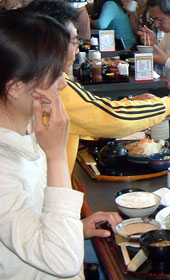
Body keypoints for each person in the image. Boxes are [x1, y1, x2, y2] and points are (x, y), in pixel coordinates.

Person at [27, 0, 170, 174]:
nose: (77, 51)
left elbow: (90, 113)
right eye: (74, 42)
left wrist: (131, 101)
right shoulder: (52, 85)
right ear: (53, 43)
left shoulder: (36, 75)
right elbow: (112, 118)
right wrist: (169, 104)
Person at [0, 10, 83, 279]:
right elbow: (62, 262)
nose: (63, 84)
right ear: (14, 87)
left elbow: (31, 220)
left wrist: (76, 226)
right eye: (55, 74)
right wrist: (56, 156)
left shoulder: (27, 127)